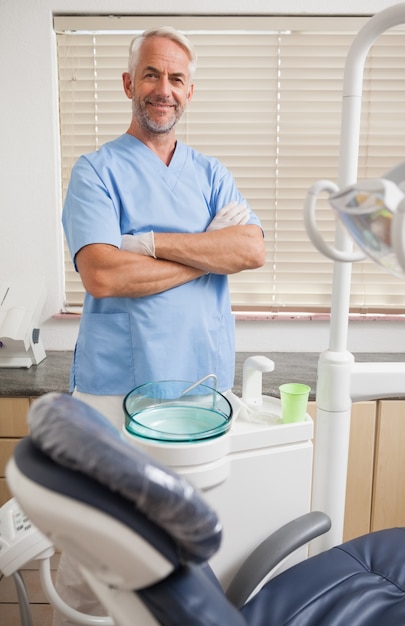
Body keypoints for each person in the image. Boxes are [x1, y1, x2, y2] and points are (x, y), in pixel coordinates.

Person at [54, 26, 264, 624]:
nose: (162, 89)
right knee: (97, 549)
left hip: (200, 389)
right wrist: (204, 253)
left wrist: (144, 244)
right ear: (129, 83)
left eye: (175, 78)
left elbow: (249, 250)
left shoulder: (212, 173)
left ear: (189, 92)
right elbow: (102, 275)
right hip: (116, 389)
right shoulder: (95, 172)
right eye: (151, 74)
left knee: (181, 548)